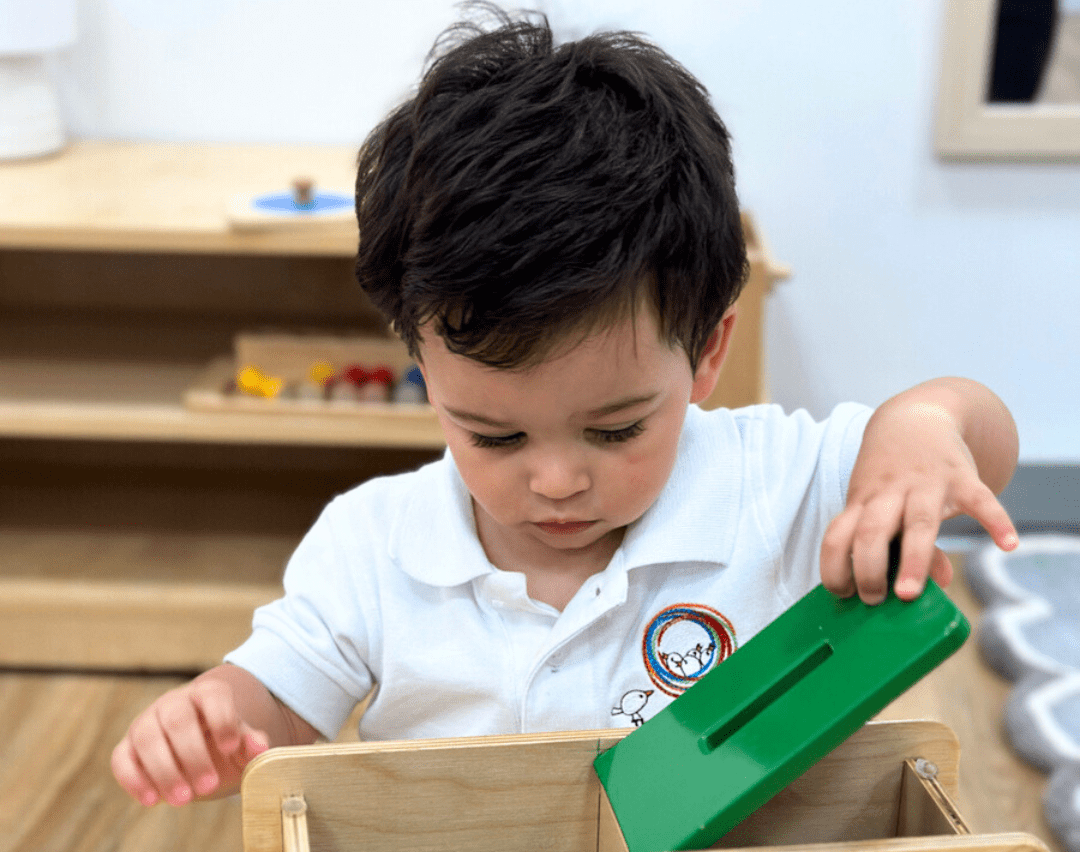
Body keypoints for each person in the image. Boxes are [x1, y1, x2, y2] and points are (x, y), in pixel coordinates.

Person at [111, 7, 1019, 808]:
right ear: (422, 364)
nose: (555, 480)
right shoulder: (372, 545)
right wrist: (215, 717)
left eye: (616, 429)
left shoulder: (771, 485)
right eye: (494, 434)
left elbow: (983, 438)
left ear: (707, 351)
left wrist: (924, 432)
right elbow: (279, 707)